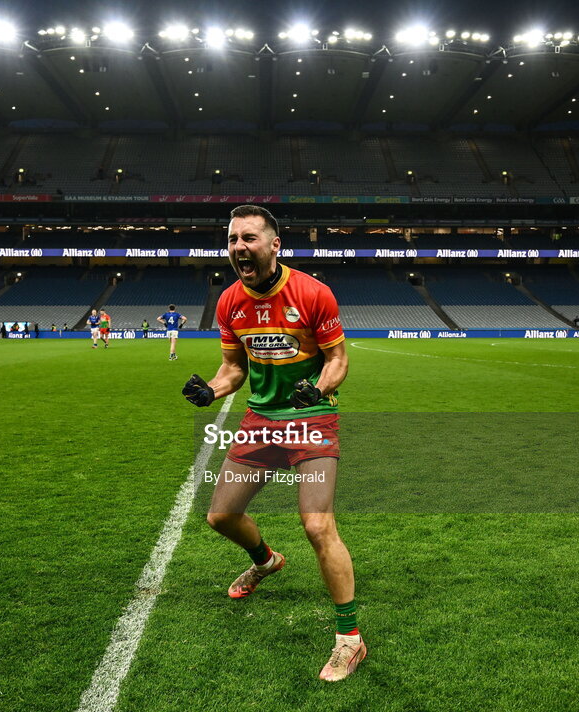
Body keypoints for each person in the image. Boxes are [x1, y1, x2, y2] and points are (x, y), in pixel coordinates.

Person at [181, 204, 363, 682]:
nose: (239, 247)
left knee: (317, 525)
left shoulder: (312, 292)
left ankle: (350, 639)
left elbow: (338, 360)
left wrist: (318, 389)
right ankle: (266, 561)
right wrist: (212, 390)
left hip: (312, 419)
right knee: (220, 516)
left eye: (249, 238)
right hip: (261, 419)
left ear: (274, 245)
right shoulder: (229, 302)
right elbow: (234, 368)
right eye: (233, 239)